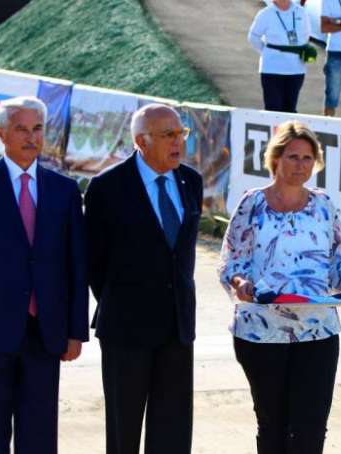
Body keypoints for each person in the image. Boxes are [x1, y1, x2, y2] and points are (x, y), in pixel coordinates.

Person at [0, 96, 89, 454]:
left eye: (37, 128)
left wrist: (75, 331)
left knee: (39, 437)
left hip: (46, 334)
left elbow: (75, 265)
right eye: (22, 129)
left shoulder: (64, 190)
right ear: (2, 133)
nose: (31, 137)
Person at [218, 120, 341, 454]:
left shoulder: (323, 204)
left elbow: (337, 256)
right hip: (261, 331)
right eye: (293, 157)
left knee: (311, 424)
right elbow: (231, 260)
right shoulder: (252, 203)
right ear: (275, 160)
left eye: (307, 158)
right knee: (273, 422)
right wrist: (241, 283)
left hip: (317, 330)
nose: (300, 165)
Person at [85, 103, 203, 454]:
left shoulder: (190, 181)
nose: (178, 141)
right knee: (124, 430)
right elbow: (94, 261)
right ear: (142, 141)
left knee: (173, 430)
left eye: (181, 133)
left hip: (177, 326)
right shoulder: (108, 187)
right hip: (126, 328)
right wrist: (123, 301)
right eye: (168, 135)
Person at [248, 0, 312, 113]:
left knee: (290, 110)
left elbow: (306, 36)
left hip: (296, 69)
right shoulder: (265, 13)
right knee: (273, 109)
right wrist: (267, 53)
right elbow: (253, 37)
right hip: (272, 70)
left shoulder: (301, 12)